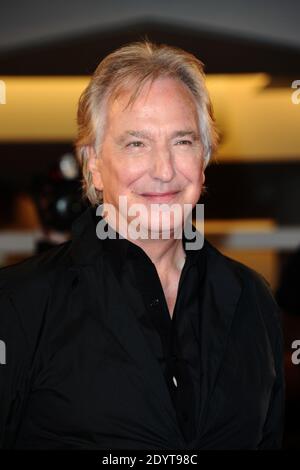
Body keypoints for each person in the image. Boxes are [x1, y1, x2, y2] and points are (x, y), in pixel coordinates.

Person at [0, 40, 284, 450]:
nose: (164, 169)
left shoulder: (251, 300)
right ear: (94, 164)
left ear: (203, 159)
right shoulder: (18, 305)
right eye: (137, 143)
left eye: (183, 141)